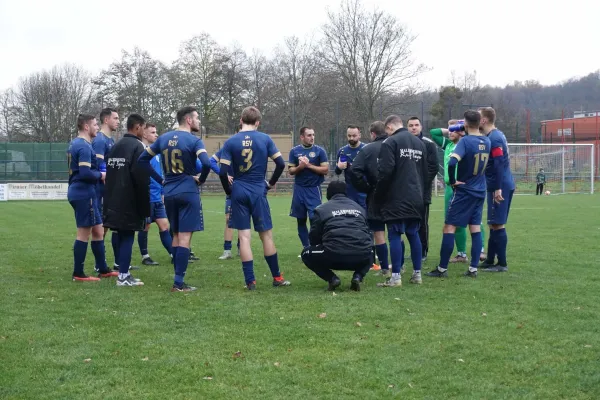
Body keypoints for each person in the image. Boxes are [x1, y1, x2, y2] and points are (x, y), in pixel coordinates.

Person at [138, 106, 211, 292]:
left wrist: (162, 180)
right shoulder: (194, 141)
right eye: (197, 118)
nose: (198, 121)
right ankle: (178, 283)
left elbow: (142, 160)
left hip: (169, 192)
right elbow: (206, 163)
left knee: (177, 235)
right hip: (187, 191)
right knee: (185, 237)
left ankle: (178, 281)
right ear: (188, 120)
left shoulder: (163, 138)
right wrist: (200, 180)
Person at [218, 106, 289, 290]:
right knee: (266, 235)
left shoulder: (231, 141)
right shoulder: (264, 139)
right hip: (258, 189)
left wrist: (229, 191)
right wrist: (270, 183)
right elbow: (281, 164)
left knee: (244, 236)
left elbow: (223, 171)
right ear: (258, 122)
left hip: (239, 189)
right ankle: (277, 277)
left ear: (241, 120)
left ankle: (250, 281)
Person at [427, 110, 491, 278]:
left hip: (464, 190)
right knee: (475, 228)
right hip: (480, 190)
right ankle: (473, 269)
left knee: (449, 227)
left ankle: (441, 269)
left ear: (466, 124)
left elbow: (452, 161)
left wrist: (454, 180)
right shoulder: (487, 140)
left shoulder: (465, 141)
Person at [375, 115, 428, 287]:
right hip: (416, 196)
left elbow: (385, 172)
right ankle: (417, 274)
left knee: (395, 235)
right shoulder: (420, 144)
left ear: (389, 127)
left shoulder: (390, 143)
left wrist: (379, 195)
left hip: (396, 197)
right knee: (413, 233)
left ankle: (396, 277)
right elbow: (424, 172)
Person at [67, 114, 118, 281]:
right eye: (95, 125)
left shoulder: (76, 143)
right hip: (84, 192)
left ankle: (103, 269)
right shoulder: (83, 146)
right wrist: (101, 175)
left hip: (84, 192)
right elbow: (85, 173)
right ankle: (78, 273)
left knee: (98, 230)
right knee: (84, 233)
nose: (97, 128)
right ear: (87, 127)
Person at [103, 113, 152, 287]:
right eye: (144, 128)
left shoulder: (116, 146)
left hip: (112, 198)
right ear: (137, 127)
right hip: (129, 200)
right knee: (128, 236)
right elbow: (141, 178)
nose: (145, 132)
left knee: (120, 234)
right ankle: (123, 276)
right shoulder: (137, 147)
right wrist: (145, 207)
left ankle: (123, 272)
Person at [301, 181, 373, 291]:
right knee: (371, 250)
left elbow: (314, 238)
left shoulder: (321, 209)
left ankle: (332, 279)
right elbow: (368, 233)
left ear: (328, 194)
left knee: (306, 253)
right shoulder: (360, 208)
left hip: (333, 255)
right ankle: (358, 276)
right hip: (360, 255)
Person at [350, 121, 395, 276]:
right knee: (396, 231)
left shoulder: (368, 149)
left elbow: (354, 170)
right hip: (396, 194)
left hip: (375, 195)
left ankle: (384, 269)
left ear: (373, 134)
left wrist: (365, 187)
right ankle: (398, 267)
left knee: (378, 232)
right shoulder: (396, 145)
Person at [479, 107, 515, 272]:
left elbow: (499, 163)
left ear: (484, 120)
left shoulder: (495, 138)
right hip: (495, 184)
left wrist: (498, 188)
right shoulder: (492, 135)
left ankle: (502, 264)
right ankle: (490, 260)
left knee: (498, 223)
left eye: (478, 118)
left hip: (499, 185)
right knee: (493, 223)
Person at [137, 123, 173, 266]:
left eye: (156, 132)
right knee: (145, 226)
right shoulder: (141, 152)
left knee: (164, 225)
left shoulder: (156, 153)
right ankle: (145, 256)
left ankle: (173, 254)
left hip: (158, 196)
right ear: (144, 135)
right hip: (147, 196)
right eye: (152, 132)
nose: (156, 135)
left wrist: (163, 192)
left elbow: (161, 174)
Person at [288, 127, 329, 251]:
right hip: (299, 189)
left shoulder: (320, 151)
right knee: (301, 220)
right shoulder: (294, 151)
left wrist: (308, 165)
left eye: (313, 135)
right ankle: (306, 247)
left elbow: (325, 170)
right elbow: (291, 170)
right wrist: (300, 167)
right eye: (309, 135)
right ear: (302, 137)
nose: (312, 137)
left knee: (314, 220)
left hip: (313, 189)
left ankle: (314, 245)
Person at [92, 107, 122, 270]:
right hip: (101, 191)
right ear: (106, 120)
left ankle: (118, 262)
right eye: (115, 118)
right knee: (101, 227)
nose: (118, 121)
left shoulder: (110, 141)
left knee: (112, 225)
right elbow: (97, 166)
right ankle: (99, 264)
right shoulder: (100, 140)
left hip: (111, 190)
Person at [407, 116, 439, 262]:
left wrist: (419, 183)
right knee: (408, 222)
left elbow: (433, 168)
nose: (413, 127)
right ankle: (414, 250)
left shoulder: (429, 144)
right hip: (406, 191)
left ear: (421, 127)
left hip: (422, 192)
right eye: (411, 125)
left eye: (416, 125)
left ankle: (423, 251)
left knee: (421, 223)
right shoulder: (404, 143)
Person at [210, 147, 239, 259]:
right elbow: (211, 161)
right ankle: (227, 250)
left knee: (244, 219)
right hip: (231, 190)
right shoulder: (228, 147)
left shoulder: (249, 146)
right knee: (228, 219)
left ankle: (241, 247)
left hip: (244, 188)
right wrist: (224, 174)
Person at [334, 125, 366, 209]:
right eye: (349, 136)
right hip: (349, 191)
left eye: (354, 136)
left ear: (359, 135)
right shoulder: (342, 151)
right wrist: (339, 167)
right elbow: (337, 172)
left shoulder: (366, 149)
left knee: (365, 217)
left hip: (364, 191)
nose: (351, 138)